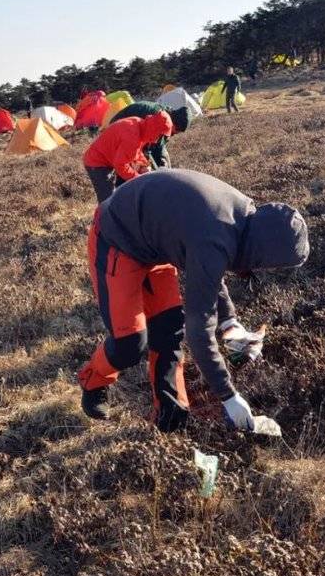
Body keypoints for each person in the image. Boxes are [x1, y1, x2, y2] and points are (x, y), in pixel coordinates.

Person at [77, 169, 310, 433]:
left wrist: (229, 321)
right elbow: (200, 330)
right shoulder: (213, 237)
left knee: (169, 330)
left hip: (155, 245)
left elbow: (209, 266)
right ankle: (92, 380)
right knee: (130, 342)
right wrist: (229, 396)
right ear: (266, 251)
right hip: (115, 237)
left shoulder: (244, 217)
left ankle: (170, 413)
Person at [82, 111, 173, 203]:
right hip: (97, 163)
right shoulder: (132, 136)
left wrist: (144, 164)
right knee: (108, 201)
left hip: (107, 159)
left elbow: (136, 151)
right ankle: (103, 216)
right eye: (160, 135)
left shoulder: (140, 125)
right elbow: (120, 165)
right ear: (155, 130)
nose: (158, 139)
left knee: (113, 196)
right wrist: (140, 179)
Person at [110, 102, 191, 169]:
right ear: (174, 122)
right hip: (118, 132)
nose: (175, 134)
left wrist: (162, 163)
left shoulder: (168, 117)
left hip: (132, 134)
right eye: (176, 131)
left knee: (162, 161)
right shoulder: (159, 118)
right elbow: (148, 148)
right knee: (134, 166)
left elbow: (159, 145)